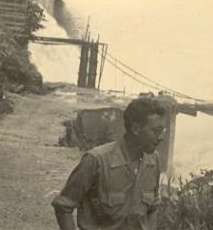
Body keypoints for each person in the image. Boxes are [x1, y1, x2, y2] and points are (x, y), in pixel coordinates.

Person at [52, 97, 168, 230]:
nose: (161, 137)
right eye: (156, 131)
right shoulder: (96, 161)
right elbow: (63, 206)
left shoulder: (153, 160)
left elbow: (152, 208)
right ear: (136, 129)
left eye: (163, 131)